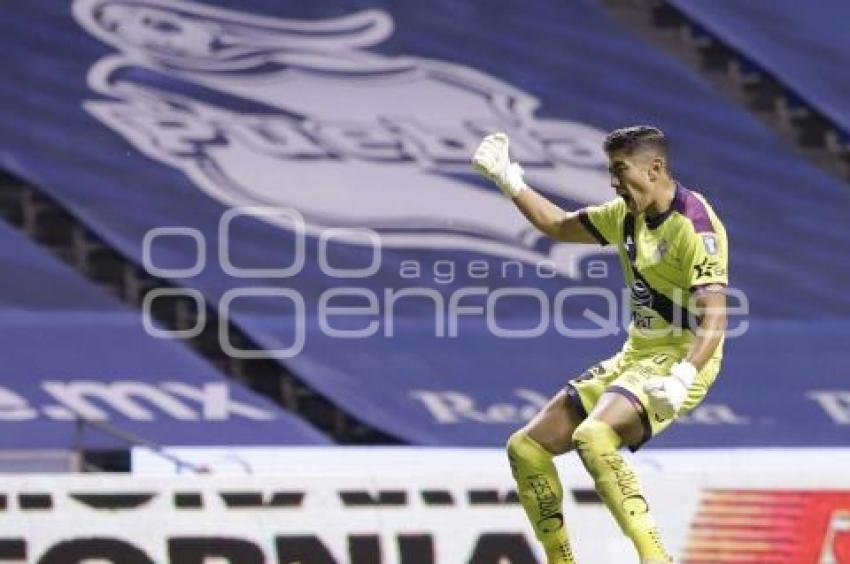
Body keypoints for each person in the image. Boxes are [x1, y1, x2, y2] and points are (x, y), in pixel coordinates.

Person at [471, 126, 729, 563]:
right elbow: (557, 225)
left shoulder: (695, 224)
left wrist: (685, 375)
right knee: (526, 447)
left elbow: (716, 316)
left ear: (655, 167)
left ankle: (656, 559)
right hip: (637, 355)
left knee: (594, 435)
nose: (612, 182)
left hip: (682, 358)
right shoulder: (625, 216)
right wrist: (508, 179)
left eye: (619, 170)